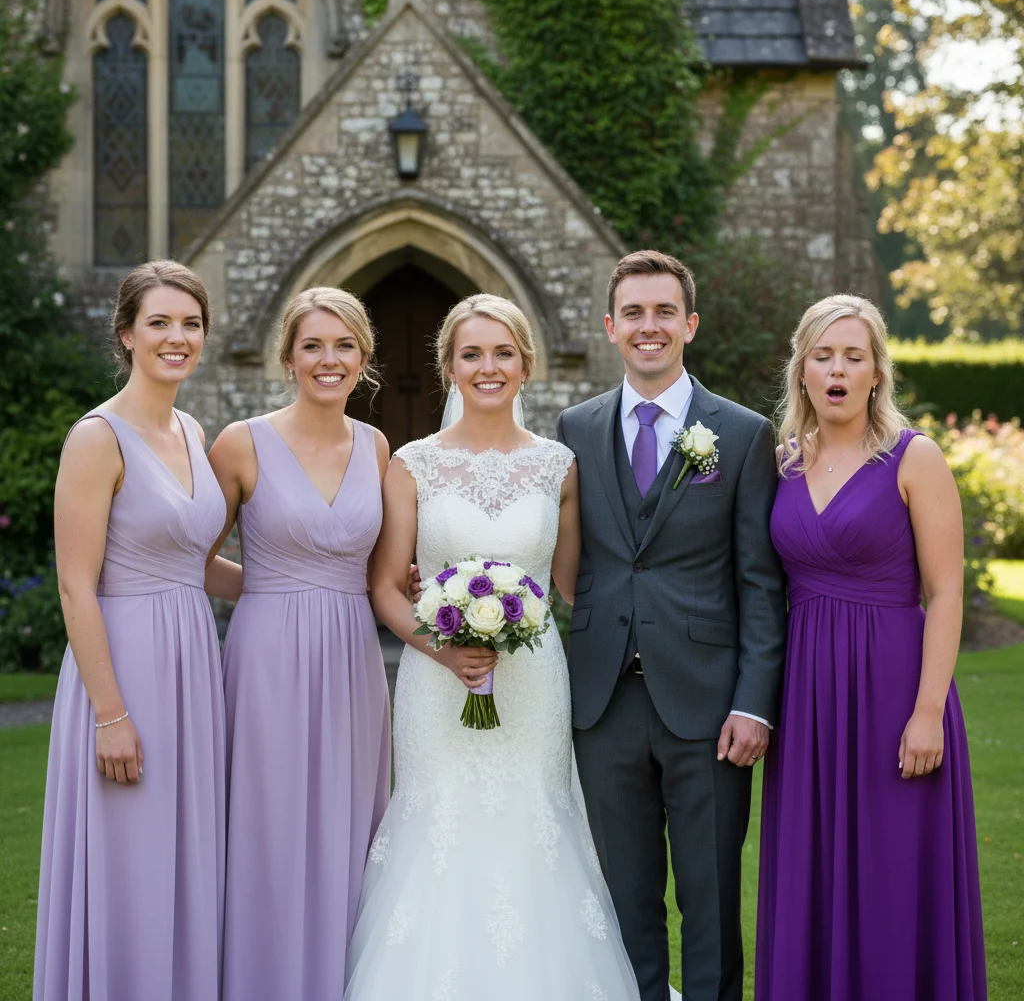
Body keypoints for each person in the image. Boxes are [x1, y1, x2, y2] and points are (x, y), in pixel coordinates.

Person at [344, 294, 641, 999]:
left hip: (535, 683)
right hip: (434, 681)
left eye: (503, 353)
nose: (488, 367)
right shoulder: (412, 465)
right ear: (448, 367)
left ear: (526, 365)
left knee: (535, 825)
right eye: (472, 354)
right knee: (441, 826)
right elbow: (386, 586)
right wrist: (442, 648)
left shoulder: (559, 466)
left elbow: (572, 584)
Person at [556, 250, 787, 1001]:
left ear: (689, 324)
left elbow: (759, 581)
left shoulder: (743, 433)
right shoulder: (576, 428)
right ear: (610, 326)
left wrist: (754, 701)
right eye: (633, 313)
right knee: (624, 902)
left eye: (663, 312)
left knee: (711, 899)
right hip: (603, 702)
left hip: (709, 705)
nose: (648, 326)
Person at [756, 294, 987, 1000]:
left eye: (853, 357)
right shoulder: (785, 460)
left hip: (894, 692)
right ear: (801, 371)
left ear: (876, 373)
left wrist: (927, 711)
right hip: (807, 700)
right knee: (813, 866)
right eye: (823, 355)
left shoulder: (914, 458)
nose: (837, 369)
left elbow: (945, 592)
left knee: (892, 871)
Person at [34, 261, 229, 1001]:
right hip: (125, 668)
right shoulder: (97, 437)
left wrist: (322, 586)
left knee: (181, 856)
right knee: (131, 859)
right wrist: (110, 715)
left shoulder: (190, 428)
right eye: (160, 323)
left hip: (192, 664)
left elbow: (196, 564)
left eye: (190, 324)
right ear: (127, 334)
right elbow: (74, 586)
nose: (177, 338)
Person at [208, 287, 392, 1001]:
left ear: (363, 357)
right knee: (267, 825)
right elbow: (193, 559)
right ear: (287, 357)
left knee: (350, 826)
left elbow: (384, 569)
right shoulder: (240, 443)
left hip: (352, 656)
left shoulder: (377, 448)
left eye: (344, 344)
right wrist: (268, 591)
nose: (328, 358)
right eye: (313, 345)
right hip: (265, 659)